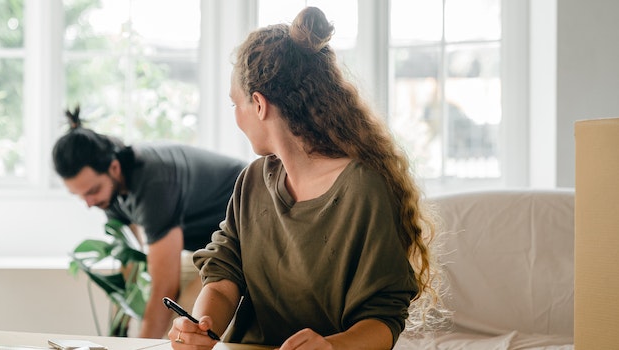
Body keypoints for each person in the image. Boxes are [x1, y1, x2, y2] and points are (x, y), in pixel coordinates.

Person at [168, 6, 440, 350]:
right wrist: (202, 327)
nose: (236, 118)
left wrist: (331, 346)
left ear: (259, 104)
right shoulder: (252, 180)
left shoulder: (364, 188)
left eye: (235, 105)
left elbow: (383, 319)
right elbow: (223, 277)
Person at [52, 106, 248, 339]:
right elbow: (133, 258)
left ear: (114, 168)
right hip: (205, 245)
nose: (89, 203)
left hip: (244, 235)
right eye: (81, 195)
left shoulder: (153, 183)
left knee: (185, 327)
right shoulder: (110, 190)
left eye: (92, 191)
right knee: (168, 325)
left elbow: (165, 287)